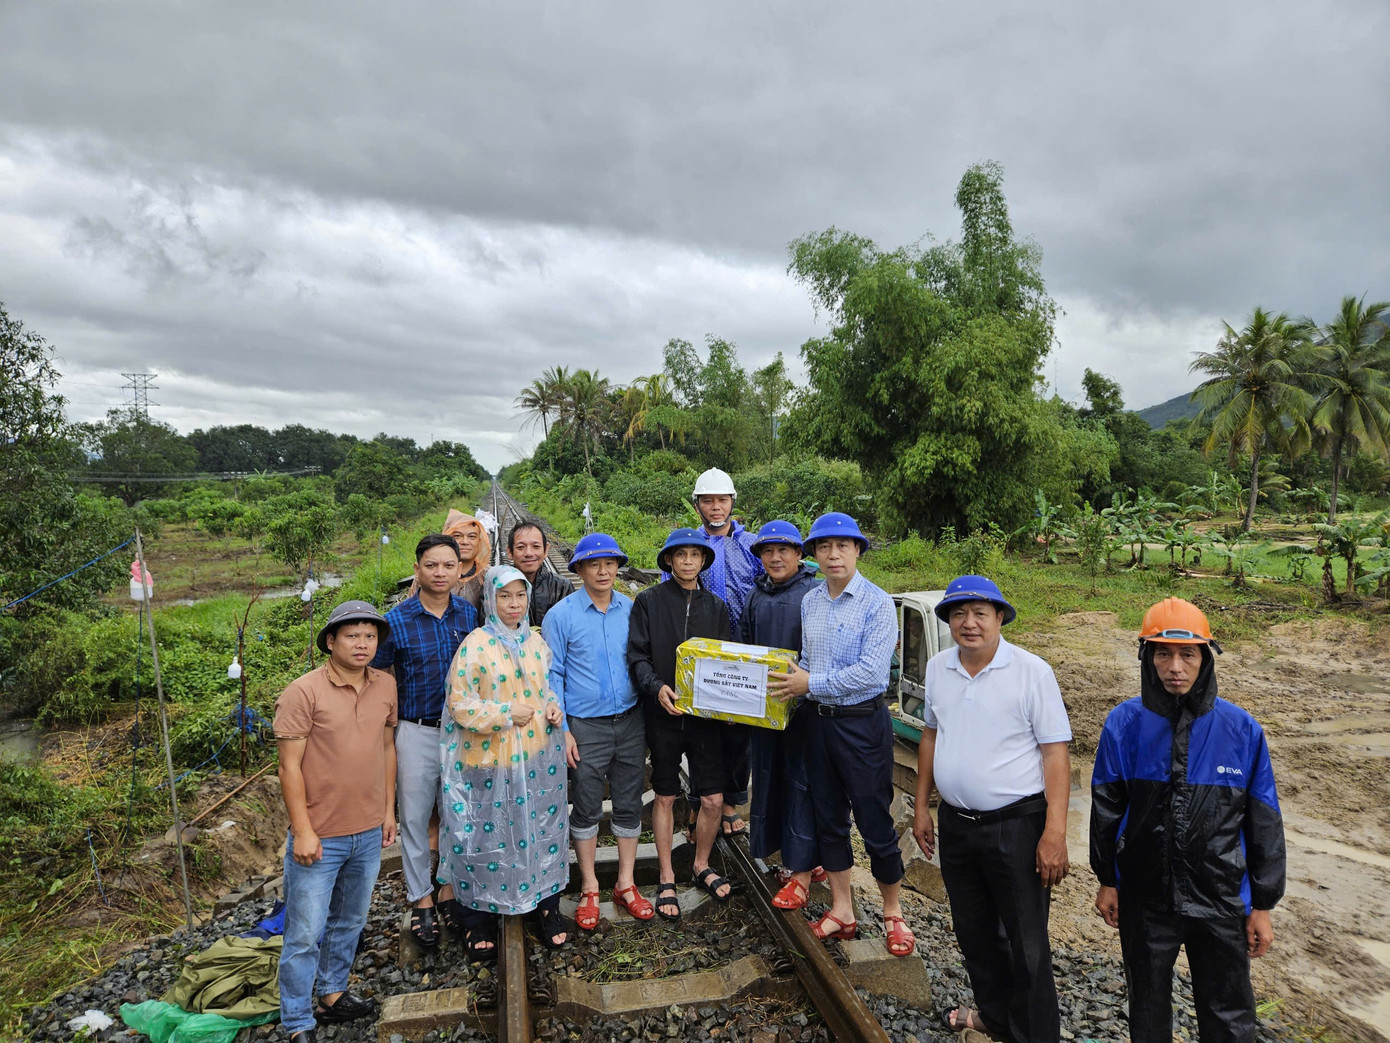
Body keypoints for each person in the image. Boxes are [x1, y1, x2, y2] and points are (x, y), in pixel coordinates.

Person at [1091, 598, 1285, 1043]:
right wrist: (1108, 879)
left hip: (1220, 899)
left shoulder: (1242, 731)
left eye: (1187, 654)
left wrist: (1262, 905)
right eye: (1162, 653)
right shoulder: (1124, 724)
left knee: (1229, 1015)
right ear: (1147, 656)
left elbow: (1265, 823)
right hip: (1145, 898)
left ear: (1206, 658)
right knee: (1147, 1007)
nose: (1174, 666)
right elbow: (1106, 809)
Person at [911, 575, 1072, 1043]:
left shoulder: (1031, 671)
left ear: (1000, 618)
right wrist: (922, 806)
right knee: (974, 932)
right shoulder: (940, 667)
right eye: (958, 614)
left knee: (1027, 942)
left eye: (981, 612)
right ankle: (997, 1018)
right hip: (957, 824)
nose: (969, 623)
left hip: (1016, 824)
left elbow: (1055, 753)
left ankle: (1035, 1034)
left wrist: (1054, 833)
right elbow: (930, 734)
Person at [767, 512, 912, 957]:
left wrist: (808, 683)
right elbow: (808, 659)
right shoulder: (811, 601)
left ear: (857, 551)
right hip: (818, 723)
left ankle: (893, 913)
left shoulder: (876, 603)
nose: (833, 554)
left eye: (842, 546)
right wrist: (789, 682)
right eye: (824, 547)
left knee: (874, 821)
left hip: (861, 725)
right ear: (814, 555)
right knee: (828, 817)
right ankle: (843, 909)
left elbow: (871, 675)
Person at [274, 601, 398, 1043]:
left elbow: (386, 749)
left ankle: (331, 995)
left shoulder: (385, 684)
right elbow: (289, 767)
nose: (362, 644)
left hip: (366, 830)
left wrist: (387, 812)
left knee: (349, 921)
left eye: (370, 636)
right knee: (305, 933)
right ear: (331, 641)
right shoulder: (303, 692)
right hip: (320, 835)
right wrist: (303, 830)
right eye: (352, 635)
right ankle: (296, 1022)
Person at [438, 565, 570, 958]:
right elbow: (459, 704)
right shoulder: (475, 645)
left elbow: (546, 689)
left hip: (535, 760)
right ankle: (476, 918)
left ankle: (546, 905)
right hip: (486, 763)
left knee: (542, 826)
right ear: (490, 601)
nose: (514, 604)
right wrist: (502, 713)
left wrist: (553, 710)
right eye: (504, 596)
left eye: (520, 596)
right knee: (482, 835)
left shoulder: (535, 642)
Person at [371, 534, 478, 948]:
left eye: (448, 566)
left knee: (456, 814)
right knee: (414, 818)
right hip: (414, 731)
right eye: (431, 565)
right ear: (417, 570)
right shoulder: (395, 621)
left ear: (459, 570)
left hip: (461, 732)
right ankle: (422, 898)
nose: (440, 573)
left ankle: (449, 888)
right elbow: (378, 676)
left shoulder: (468, 615)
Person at [541, 533, 650, 930]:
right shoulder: (561, 615)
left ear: (618, 567)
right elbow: (552, 674)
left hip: (631, 720)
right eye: (594, 564)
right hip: (585, 726)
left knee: (628, 802)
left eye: (610, 564)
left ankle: (625, 882)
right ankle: (589, 886)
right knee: (586, 804)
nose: (603, 571)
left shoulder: (633, 609)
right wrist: (564, 730)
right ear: (580, 570)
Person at [628, 527, 736, 919]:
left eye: (695, 555)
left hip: (705, 720)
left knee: (712, 799)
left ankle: (701, 863)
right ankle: (667, 875)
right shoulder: (649, 602)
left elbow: (726, 663)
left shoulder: (716, 607)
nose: (688, 561)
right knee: (665, 795)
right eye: (681, 555)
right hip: (664, 715)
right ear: (669, 561)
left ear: (704, 561)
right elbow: (638, 657)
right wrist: (656, 688)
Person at [740, 520, 824, 911]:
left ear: (799, 555)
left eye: (784, 551)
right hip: (764, 707)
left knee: (802, 784)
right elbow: (744, 647)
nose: (775, 558)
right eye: (768, 552)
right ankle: (779, 850)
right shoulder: (756, 595)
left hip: (805, 708)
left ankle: (804, 864)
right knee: (769, 778)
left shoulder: (814, 592)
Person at [684, 467, 763, 836]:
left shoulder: (752, 545)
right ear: (697, 504)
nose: (715, 507)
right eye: (708, 501)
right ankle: (701, 797)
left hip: (745, 650)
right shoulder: (688, 545)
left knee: (738, 731)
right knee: (703, 727)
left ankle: (730, 800)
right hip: (703, 651)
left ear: (732, 502)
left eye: (722, 500)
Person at [409, 509, 491, 610]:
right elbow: (409, 612)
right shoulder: (429, 576)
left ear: (479, 541)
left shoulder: (488, 575)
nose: (465, 542)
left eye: (472, 536)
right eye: (457, 536)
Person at [507, 519, 573, 628]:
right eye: (520, 547)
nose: (528, 553)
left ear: (546, 550)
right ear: (510, 552)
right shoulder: (498, 587)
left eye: (536, 546)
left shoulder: (562, 587)